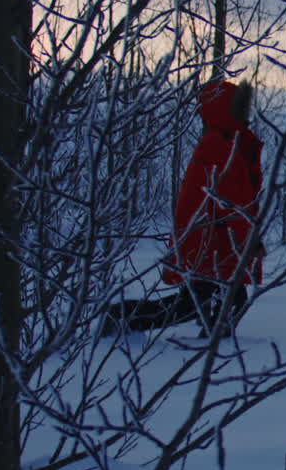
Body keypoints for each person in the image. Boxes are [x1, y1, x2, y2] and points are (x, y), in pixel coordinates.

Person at [104, 79, 264, 338]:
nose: (244, 114)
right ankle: (123, 316)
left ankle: (210, 342)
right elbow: (234, 200)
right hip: (212, 241)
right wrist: (249, 240)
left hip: (213, 238)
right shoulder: (221, 144)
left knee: (215, 302)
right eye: (239, 109)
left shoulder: (224, 140)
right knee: (200, 305)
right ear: (226, 110)